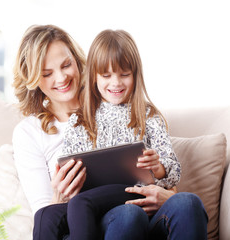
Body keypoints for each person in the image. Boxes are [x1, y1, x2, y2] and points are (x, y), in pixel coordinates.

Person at [12, 25, 208, 240]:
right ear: (33, 79)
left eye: (66, 65)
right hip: (91, 218)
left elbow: (167, 180)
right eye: (47, 73)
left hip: (140, 209)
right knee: (127, 214)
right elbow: (47, 216)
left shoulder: (133, 110)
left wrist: (166, 193)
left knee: (187, 202)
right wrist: (61, 194)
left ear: (80, 64)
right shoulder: (35, 132)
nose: (60, 78)